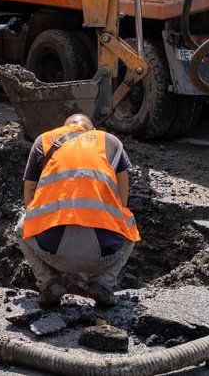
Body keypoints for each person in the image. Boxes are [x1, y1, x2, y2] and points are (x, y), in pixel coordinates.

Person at [19, 114, 139, 309]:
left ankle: (49, 283)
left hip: (54, 252)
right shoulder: (110, 142)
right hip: (103, 256)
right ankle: (103, 283)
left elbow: (30, 192)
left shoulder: (45, 140)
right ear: (91, 130)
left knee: (22, 225)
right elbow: (122, 201)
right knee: (129, 221)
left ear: (64, 128)